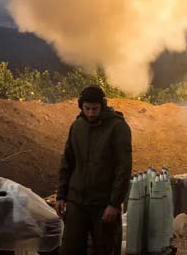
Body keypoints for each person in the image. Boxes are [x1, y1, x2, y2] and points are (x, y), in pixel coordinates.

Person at [55, 85, 132, 255]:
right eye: (87, 108)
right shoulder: (77, 127)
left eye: (95, 109)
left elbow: (123, 168)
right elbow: (67, 162)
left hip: (103, 205)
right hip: (76, 202)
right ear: (81, 106)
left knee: (105, 249)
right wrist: (61, 195)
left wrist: (114, 203)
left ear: (103, 105)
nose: (90, 113)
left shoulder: (117, 127)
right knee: (69, 250)